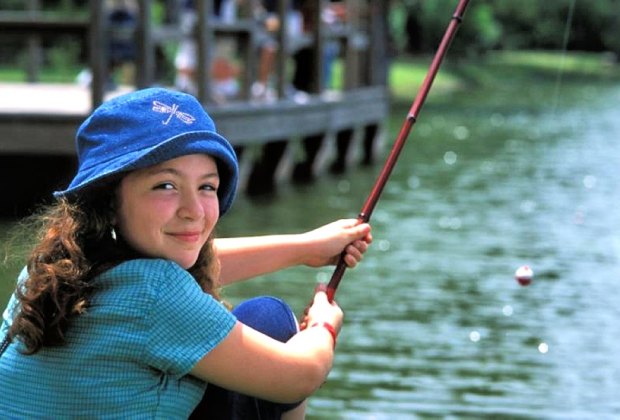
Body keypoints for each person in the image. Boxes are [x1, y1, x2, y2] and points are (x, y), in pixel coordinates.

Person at [0, 87, 372, 419]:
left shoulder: (52, 267)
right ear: (109, 199)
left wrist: (306, 247)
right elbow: (300, 376)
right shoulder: (155, 294)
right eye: (166, 185)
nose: (193, 210)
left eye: (207, 187)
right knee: (270, 319)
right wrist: (324, 324)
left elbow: (202, 262)